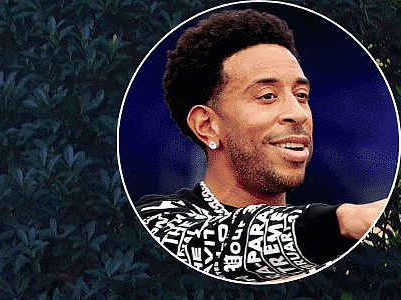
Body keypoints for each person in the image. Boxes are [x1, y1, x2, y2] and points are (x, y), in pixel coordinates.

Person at [134, 8, 387, 282]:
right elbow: (215, 244)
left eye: (301, 95)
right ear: (207, 125)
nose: (299, 113)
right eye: (267, 96)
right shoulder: (157, 223)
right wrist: (346, 221)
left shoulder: (354, 256)